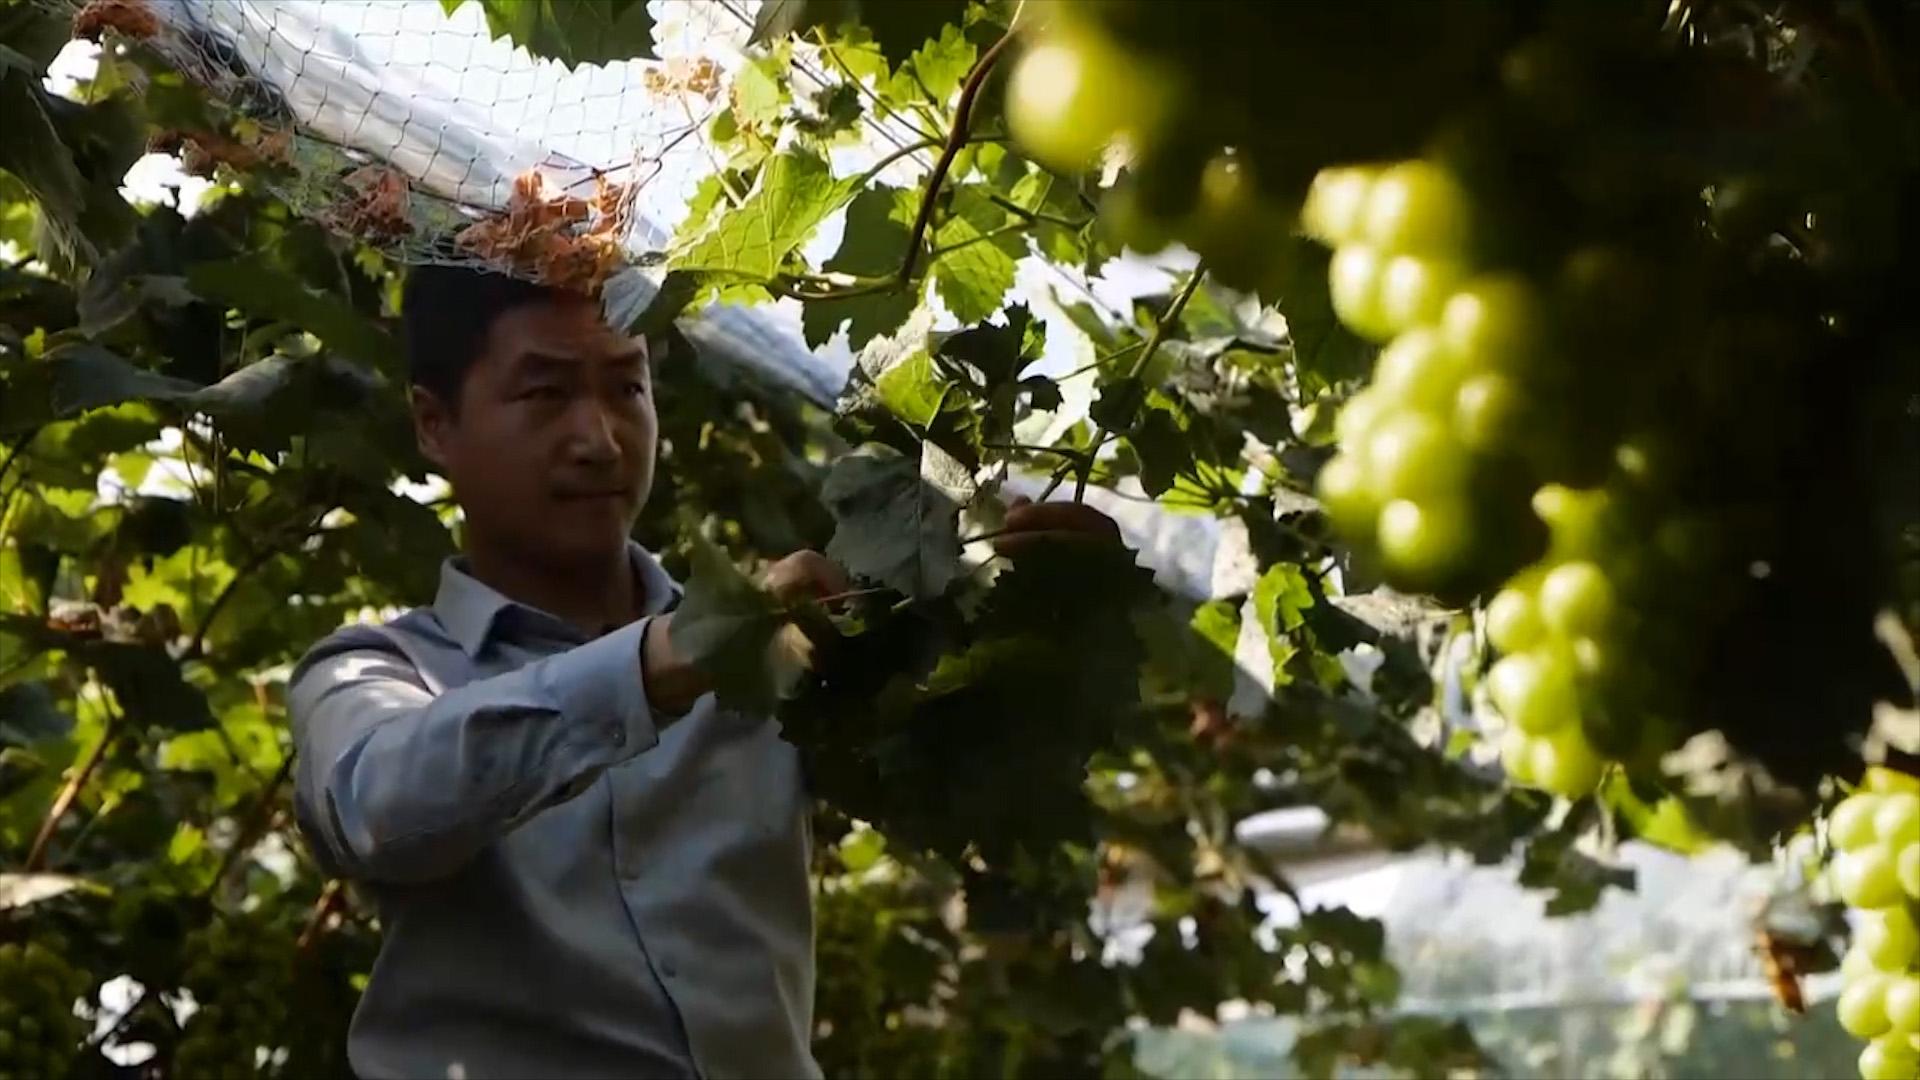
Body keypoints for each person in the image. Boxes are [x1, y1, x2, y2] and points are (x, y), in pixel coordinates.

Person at [287, 265, 1120, 1079]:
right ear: (434, 424)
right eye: (545, 393)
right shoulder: (374, 671)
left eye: (627, 387)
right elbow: (376, 810)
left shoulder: (785, 640)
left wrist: (1027, 619)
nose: (601, 439)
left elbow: (966, 791)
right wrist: (686, 651)